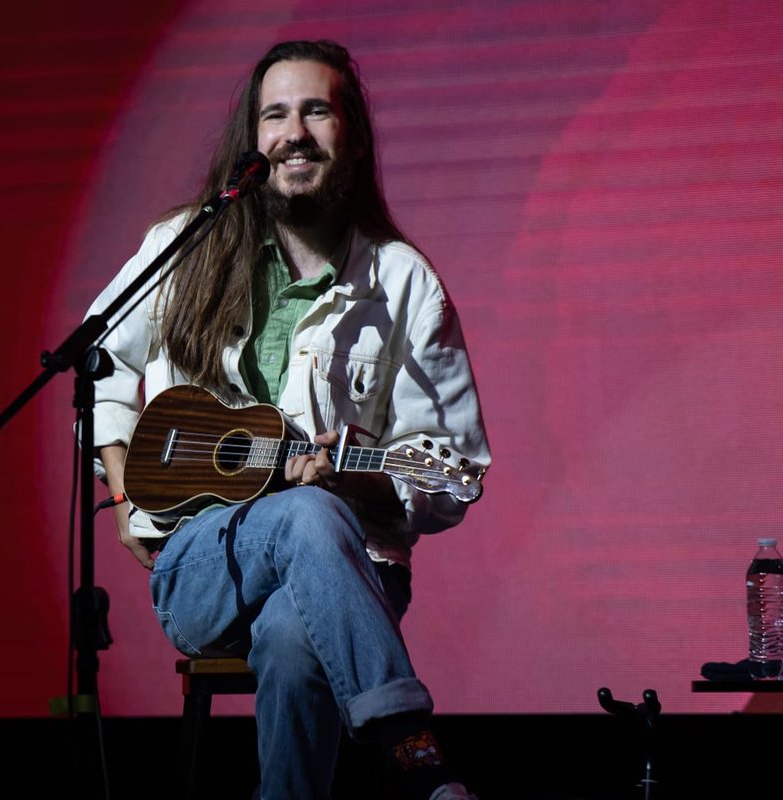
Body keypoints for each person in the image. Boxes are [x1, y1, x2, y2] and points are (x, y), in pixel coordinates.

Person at [84, 40, 491, 800]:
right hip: (204, 565)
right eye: (275, 115)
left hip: (357, 568)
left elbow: (452, 470)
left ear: (353, 137)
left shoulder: (402, 281)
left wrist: (358, 484)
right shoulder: (183, 247)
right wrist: (126, 496)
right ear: (252, 138)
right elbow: (97, 362)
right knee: (307, 511)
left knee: (294, 637)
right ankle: (412, 750)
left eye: (316, 112)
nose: (294, 133)